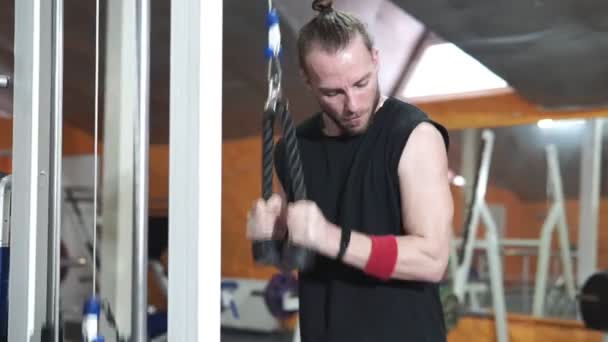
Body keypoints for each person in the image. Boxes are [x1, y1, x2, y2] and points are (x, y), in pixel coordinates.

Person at [246, 0, 454, 341]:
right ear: (308, 81)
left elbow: (432, 260)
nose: (352, 104)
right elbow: (296, 260)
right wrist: (275, 234)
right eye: (333, 92)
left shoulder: (413, 136)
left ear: (375, 58)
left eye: (361, 83)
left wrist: (330, 237)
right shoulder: (294, 149)